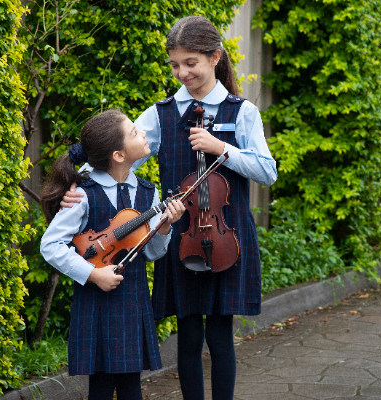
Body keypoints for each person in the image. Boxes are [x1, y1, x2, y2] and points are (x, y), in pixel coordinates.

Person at [60, 16, 278, 400]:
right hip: (181, 236)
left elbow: (267, 171)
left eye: (190, 63)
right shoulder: (161, 113)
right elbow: (114, 153)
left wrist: (221, 148)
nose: (182, 73)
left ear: (215, 57)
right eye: (175, 64)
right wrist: (77, 186)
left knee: (220, 334)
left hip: (228, 236)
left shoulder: (240, 111)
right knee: (189, 334)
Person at [40, 109, 185, 400]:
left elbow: (153, 253)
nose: (143, 133)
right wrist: (92, 274)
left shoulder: (148, 193)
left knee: (132, 386)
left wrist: (165, 228)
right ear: (118, 155)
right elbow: (50, 245)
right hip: (97, 299)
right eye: (134, 132)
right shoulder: (83, 193)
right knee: (102, 388)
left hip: (133, 296)